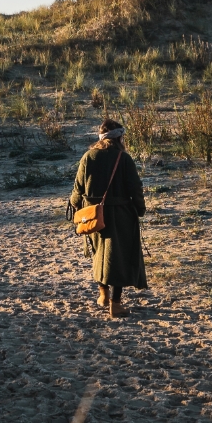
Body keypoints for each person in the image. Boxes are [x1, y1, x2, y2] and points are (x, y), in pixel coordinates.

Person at [69, 118, 147, 317]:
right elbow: (135, 188)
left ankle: (103, 294)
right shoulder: (124, 158)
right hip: (120, 215)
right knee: (118, 259)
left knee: (99, 255)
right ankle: (116, 303)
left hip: (93, 214)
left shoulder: (88, 157)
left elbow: (77, 190)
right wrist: (140, 209)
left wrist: (77, 209)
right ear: (119, 137)